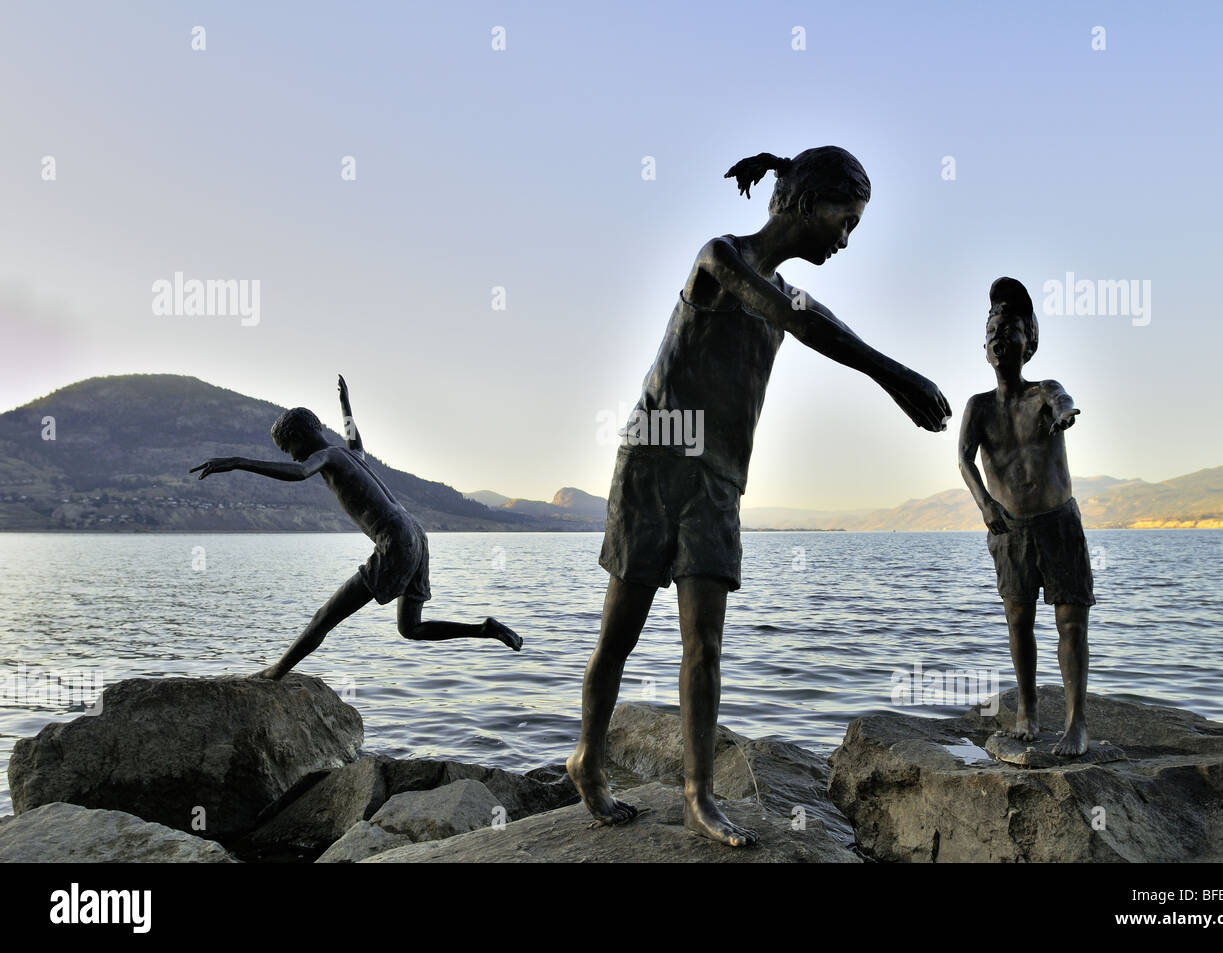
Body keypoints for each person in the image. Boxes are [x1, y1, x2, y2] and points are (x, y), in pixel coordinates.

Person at [567, 146, 952, 846]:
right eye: (845, 219)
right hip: (654, 463)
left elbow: (822, 324)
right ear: (807, 204)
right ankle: (587, 758)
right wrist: (897, 377)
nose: (846, 237)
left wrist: (895, 378)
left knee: (704, 644)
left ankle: (698, 792)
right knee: (618, 634)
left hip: (715, 480)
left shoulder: (791, 297)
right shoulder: (721, 258)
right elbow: (803, 321)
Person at [190, 374, 521, 680]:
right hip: (415, 535)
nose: (292, 457)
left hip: (395, 540)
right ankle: (485, 629)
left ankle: (273, 674)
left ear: (298, 437)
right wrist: (346, 405)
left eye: (288, 449)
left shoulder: (327, 458)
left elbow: (300, 473)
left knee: (324, 617)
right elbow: (355, 441)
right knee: (411, 628)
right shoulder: (349, 457)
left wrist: (237, 462)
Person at [957, 277, 1094, 756]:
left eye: (1010, 327)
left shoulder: (1044, 393)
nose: (999, 335)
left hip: (1058, 523)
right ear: (985, 345)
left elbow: (1065, 402)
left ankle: (1076, 723)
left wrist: (1064, 414)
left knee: (1070, 623)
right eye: (992, 327)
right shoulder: (978, 408)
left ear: (1029, 342)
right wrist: (985, 504)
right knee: (1019, 622)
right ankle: (1028, 712)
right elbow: (964, 460)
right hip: (1009, 530)